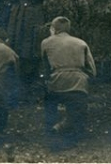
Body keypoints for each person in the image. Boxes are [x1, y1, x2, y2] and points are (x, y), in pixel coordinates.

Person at [40, 16, 96, 150]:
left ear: (53, 29)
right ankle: (71, 132)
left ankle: (52, 129)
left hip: (56, 83)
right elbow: (92, 70)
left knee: (49, 102)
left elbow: (45, 67)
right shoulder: (81, 43)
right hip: (78, 84)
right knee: (78, 108)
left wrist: (48, 79)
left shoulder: (46, 43)